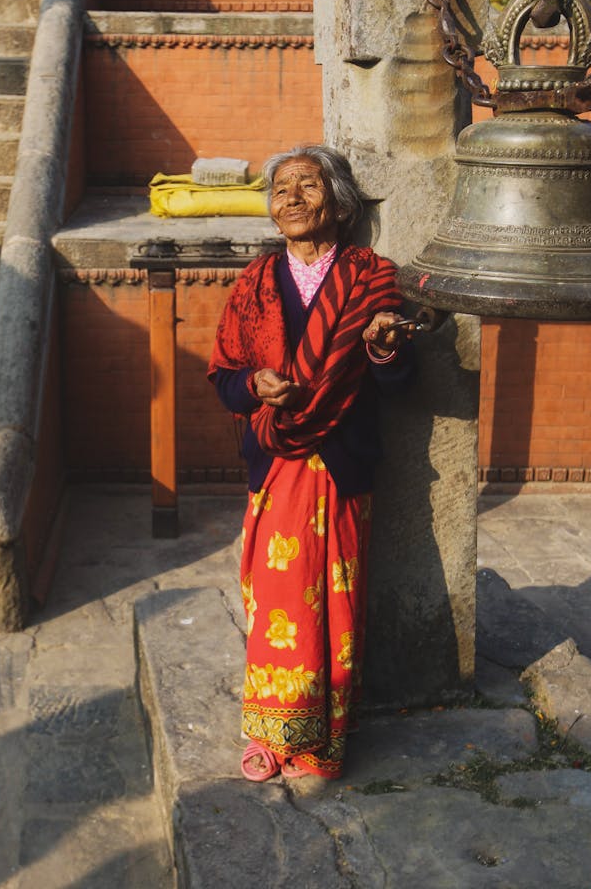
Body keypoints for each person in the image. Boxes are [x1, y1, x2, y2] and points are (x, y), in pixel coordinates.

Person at [208, 144, 416, 781]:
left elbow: (401, 380)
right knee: (276, 602)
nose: (292, 198)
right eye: (280, 190)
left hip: (341, 464)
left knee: (335, 604)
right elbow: (222, 375)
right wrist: (255, 388)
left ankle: (321, 740)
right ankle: (270, 733)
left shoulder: (372, 278)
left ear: (340, 200)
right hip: (275, 463)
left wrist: (382, 348)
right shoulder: (253, 285)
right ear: (271, 212)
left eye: (307, 184)